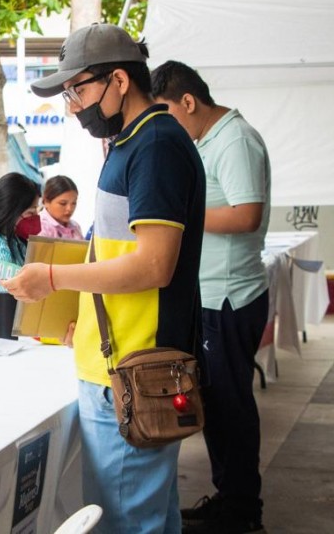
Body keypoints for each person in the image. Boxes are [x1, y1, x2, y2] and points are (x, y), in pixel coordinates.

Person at [3, 23, 205, 533]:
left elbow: (154, 264)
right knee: (148, 518)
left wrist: (53, 277)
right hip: (120, 360)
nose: (73, 104)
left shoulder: (155, 146)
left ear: (119, 80)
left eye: (79, 88)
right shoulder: (133, 142)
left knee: (123, 522)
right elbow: (117, 252)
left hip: (133, 367)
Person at [152, 60, 271, 534]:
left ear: (189, 101)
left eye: (169, 114)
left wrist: (181, 214)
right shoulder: (211, 139)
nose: (169, 127)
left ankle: (243, 510)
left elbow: (246, 215)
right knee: (217, 404)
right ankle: (229, 497)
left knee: (231, 405)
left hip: (230, 295)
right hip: (213, 292)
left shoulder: (235, 139)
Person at [39, 175, 83, 240]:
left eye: (74, 203)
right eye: (63, 203)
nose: (69, 209)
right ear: (46, 202)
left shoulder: (75, 227)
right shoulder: (39, 228)